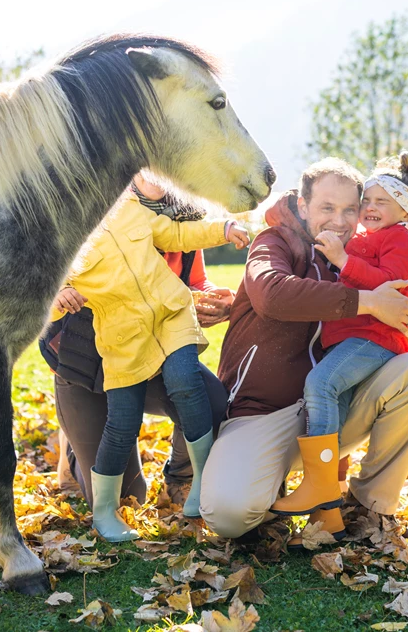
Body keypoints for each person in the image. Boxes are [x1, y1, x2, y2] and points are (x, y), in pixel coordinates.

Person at [198, 157, 408, 544]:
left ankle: (367, 506)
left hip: (335, 409)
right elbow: (273, 294)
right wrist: (369, 301)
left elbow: (388, 293)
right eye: (327, 208)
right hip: (263, 413)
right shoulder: (274, 241)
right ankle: (274, 488)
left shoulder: (358, 253)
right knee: (228, 515)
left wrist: (385, 304)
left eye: (350, 209)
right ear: (302, 205)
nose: (340, 220)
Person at [51, 174, 250, 541]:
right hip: (116, 343)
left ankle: (197, 478)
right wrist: (58, 294)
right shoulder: (65, 234)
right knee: (123, 435)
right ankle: (103, 509)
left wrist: (223, 228)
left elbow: (176, 235)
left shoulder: (128, 208)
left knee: (187, 384)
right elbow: (41, 291)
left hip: (171, 317)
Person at [271, 152, 408, 516]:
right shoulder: (369, 235)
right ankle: (326, 516)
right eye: (368, 201)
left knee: (321, 384)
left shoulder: (401, 240)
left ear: (405, 211)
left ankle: (318, 485)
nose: (370, 208)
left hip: (373, 339)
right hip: (350, 340)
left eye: (383, 202)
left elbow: (389, 284)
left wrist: (343, 261)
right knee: (335, 412)